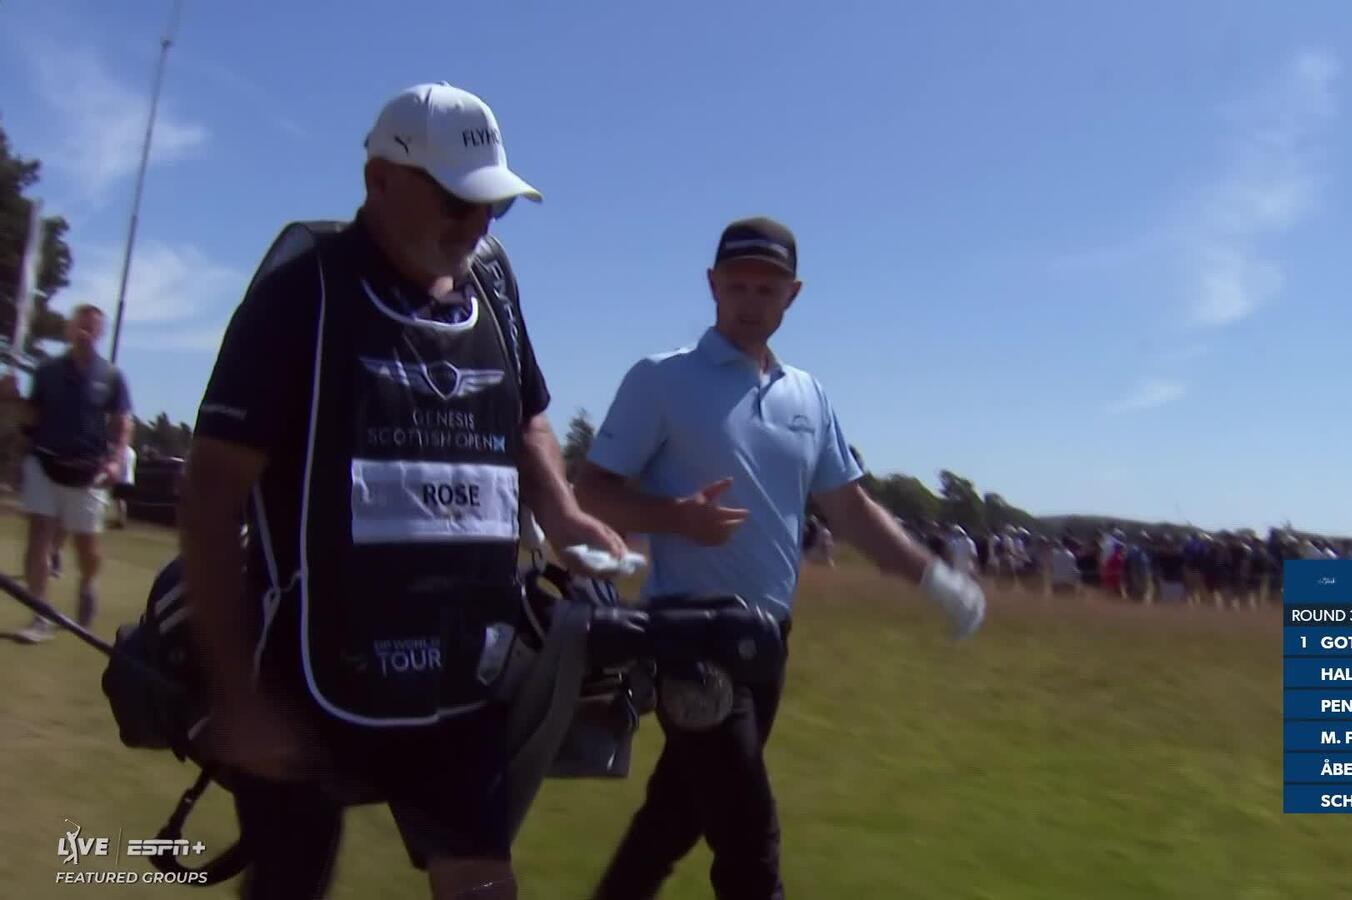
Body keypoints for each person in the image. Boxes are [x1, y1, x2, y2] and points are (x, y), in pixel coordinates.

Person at [178, 83, 626, 900]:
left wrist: (559, 509)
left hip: (464, 672)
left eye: (494, 207)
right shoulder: (298, 295)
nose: (477, 227)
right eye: (457, 203)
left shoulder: (491, 282)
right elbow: (211, 494)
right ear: (379, 179)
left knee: (484, 883)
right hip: (305, 679)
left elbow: (527, 415)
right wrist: (238, 701)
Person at [576, 216, 985, 900]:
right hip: (690, 641)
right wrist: (674, 518)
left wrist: (934, 578)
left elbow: (850, 509)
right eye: (736, 285)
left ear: (792, 296)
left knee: (672, 820)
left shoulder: (808, 396)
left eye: (766, 289)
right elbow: (592, 491)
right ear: (711, 286)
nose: (748, 302)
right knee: (749, 841)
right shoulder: (661, 380)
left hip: (766, 646)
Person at [9, 304, 131, 643]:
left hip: (88, 471)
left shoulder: (110, 376)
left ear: (100, 333)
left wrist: (115, 460)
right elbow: (29, 420)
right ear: (69, 329)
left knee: (87, 550)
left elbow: (122, 424)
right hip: (45, 463)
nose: (85, 332)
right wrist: (12, 400)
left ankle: (88, 585)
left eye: (92, 327)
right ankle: (39, 617)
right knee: (39, 540)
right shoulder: (46, 371)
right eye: (80, 325)